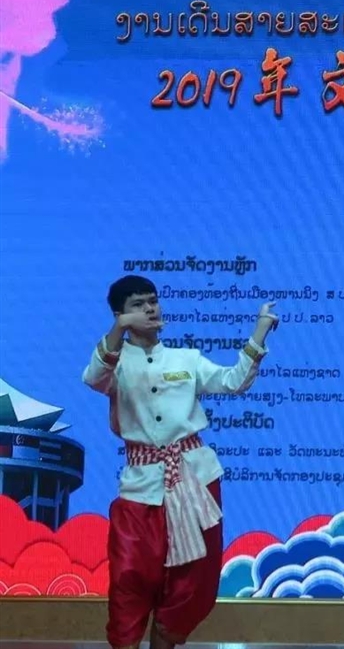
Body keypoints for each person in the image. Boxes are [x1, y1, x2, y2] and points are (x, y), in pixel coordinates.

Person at [82, 275, 278, 649]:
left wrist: (259, 331)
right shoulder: (114, 362)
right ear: (120, 315)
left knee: (192, 581)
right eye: (138, 304)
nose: (150, 308)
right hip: (141, 486)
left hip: (195, 478)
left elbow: (233, 381)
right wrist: (118, 332)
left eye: (153, 301)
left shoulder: (185, 359)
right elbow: (93, 377)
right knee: (129, 577)